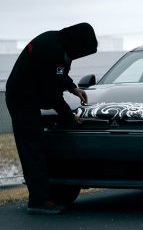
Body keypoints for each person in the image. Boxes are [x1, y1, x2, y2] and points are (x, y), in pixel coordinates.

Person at [5, 23, 98, 214]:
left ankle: (41, 196)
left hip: (24, 95)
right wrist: (69, 117)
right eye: (83, 51)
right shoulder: (53, 50)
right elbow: (52, 94)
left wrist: (73, 87)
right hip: (23, 99)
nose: (80, 55)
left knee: (32, 146)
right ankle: (39, 201)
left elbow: (58, 75)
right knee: (33, 147)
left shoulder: (56, 40)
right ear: (79, 42)